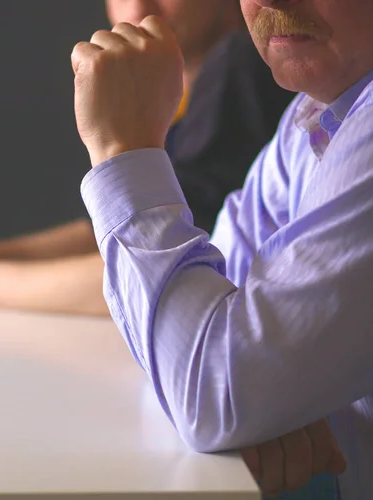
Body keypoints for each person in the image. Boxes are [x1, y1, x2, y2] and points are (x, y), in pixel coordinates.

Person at [72, 0, 373, 498]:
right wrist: (257, 400)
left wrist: (121, 154)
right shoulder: (315, 115)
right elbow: (199, 341)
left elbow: (208, 382)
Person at [0, 0, 294, 316]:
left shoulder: (241, 68)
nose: (139, 7)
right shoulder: (185, 94)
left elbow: (149, 269)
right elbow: (121, 232)